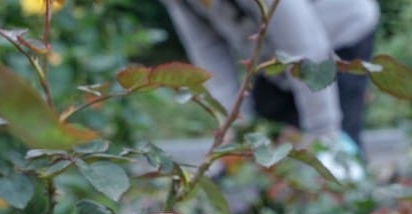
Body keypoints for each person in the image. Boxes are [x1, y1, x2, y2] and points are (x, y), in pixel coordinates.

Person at [160, 0, 379, 161]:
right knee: (268, 141)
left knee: (336, 145)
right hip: (273, 56)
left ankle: (351, 209)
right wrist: (234, 129)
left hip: (340, 37)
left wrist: (323, 136)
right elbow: (210, 53)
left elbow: (305, 49)